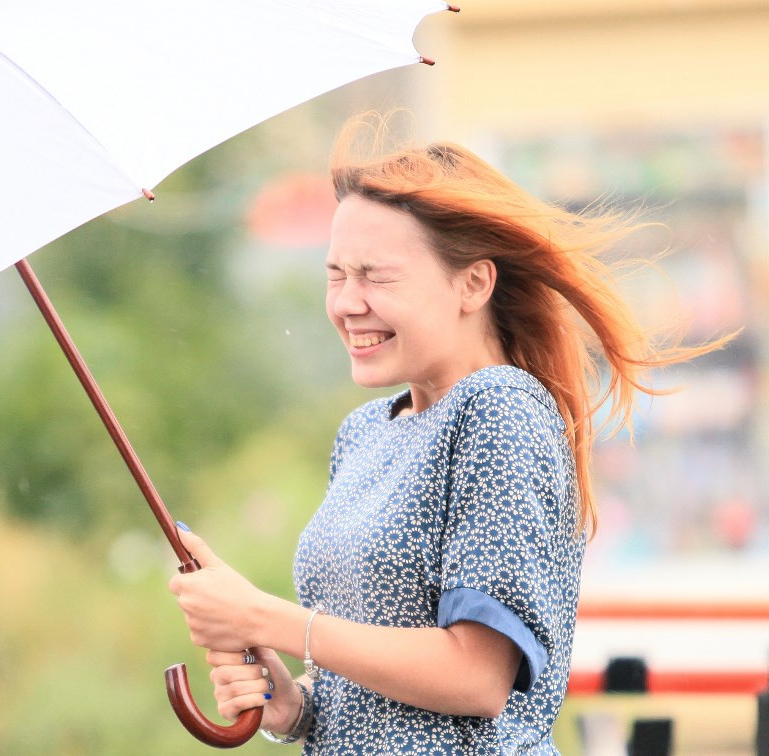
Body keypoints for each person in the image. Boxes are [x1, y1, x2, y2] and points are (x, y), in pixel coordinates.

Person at [167, 117, 729, 753]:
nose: (347, 303)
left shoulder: (501, 409)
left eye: (376, 275)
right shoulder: (364, 433)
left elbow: (477, 678)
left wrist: (263, 615)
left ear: (474, 283)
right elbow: (377, 702)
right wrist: (293, 704)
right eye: (335, 274)